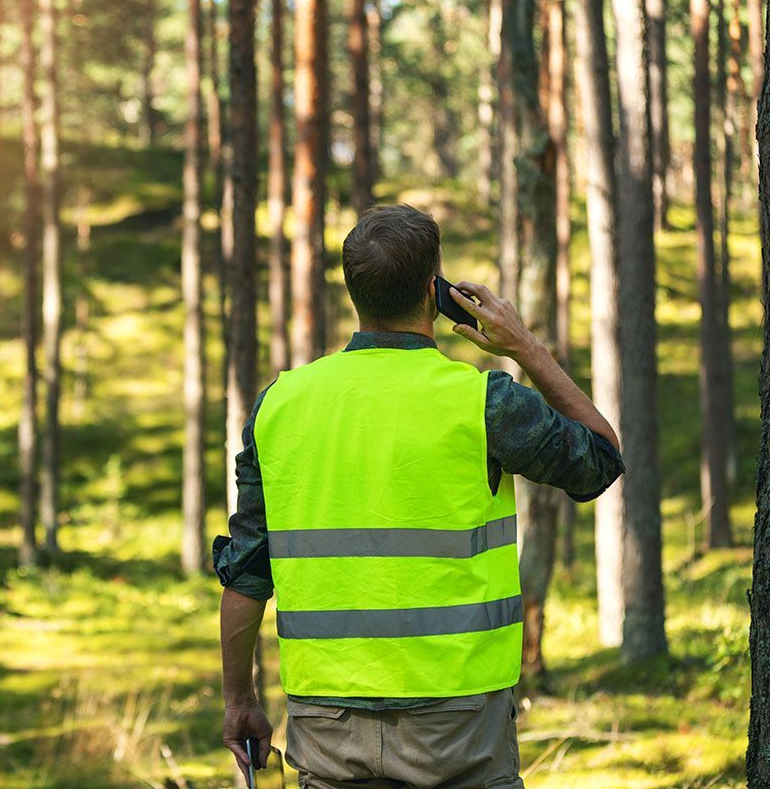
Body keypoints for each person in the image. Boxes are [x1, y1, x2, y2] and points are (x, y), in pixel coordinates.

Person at [212, 204, 625, 789]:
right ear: (437, 290)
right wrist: (527, 348)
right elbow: (601, 459)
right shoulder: (484, 402)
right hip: (459, 725)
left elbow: (247, 574)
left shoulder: (280, 405)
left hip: (328, 720)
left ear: (354, 291)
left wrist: (239, 700)